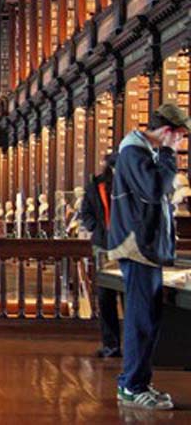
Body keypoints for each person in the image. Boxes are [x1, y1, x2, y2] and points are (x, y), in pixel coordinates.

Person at [107, 104, 190, 411]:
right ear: (168, 132)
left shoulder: (141, 152)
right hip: (137, 246)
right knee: (142, 318)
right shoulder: (135, 152)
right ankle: (131, 385)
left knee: (149, 317)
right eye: (180, 138)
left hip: (145, 245)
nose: (181, 145)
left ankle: (138, 381)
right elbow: (156, 189)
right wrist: (169, 155)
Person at [79, 153, 121, 359]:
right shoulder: (96, 187)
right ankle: (110, 344)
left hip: (128, 246)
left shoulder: (131, 185)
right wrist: (97, 230)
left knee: (129, 297)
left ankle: (130, 345)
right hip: (103, 247)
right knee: (105, 297)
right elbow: (85, 212)